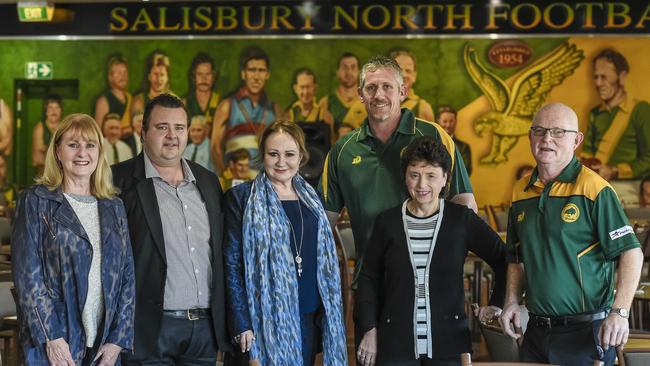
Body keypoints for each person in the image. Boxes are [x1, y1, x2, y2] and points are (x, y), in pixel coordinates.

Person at [319, 55, 476, 353]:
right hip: (373, 290)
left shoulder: (433, 136)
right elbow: (321, 223)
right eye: (371, 88)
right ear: (360, 94)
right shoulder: (342, 151)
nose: (379, 95)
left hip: (435, 290)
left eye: (387, 87)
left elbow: (465, 205)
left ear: (403, 92)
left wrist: (448, 262)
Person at [500, 102, 643, 366]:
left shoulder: (595, 189)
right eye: (539, 131)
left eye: (557, 132)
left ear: (576, 140)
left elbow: (631, 252)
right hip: (536, 332)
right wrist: (510, 301)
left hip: (586, 334)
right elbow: (516, 257)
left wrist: (620, 312)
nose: (546, 139)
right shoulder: (520, 191)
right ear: (530, 136)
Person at [356, 136, 506, 365]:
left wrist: (495, 304)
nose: (421, 185)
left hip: (449, 342)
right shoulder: (387, 222)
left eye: (431, 176)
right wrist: (370, 329)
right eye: (414, 175)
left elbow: (504, 259)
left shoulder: (461, 220)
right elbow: (368, 277)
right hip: (395, 341)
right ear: (405, 176)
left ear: (445, 178)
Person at [112, 94, 230, 364]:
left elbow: (221, 254)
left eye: (179, 128)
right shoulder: (117, 181)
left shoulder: (208, 181)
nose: (171, 135)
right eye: (162, 127)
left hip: (204, 330)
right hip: (148, 329)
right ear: (142, 132)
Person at [12, 113, 135, 365]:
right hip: (56, 343)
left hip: (103, 344)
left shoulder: (114, 207)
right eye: (73, 144)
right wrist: (52, 338)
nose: (82, 153)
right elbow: (28, 278)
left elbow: (127, 278)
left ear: (100, 153)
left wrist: (117, 341)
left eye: (90, 145)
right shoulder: (36, 201)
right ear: (57, 151)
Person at [224, 120, 347, 365]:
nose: (281, 162)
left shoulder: (313, 200)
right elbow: (232, 265)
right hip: (261, 323)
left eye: (289, 154)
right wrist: (242, 324)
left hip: (307, 319)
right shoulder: (241, 198)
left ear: (301, 156)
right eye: (273, 154)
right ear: (262, 156)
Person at [581, 49, 650, 202]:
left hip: (629, 188)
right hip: (594, 186)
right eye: (596, 77)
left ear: (622, 76)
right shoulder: (595, 113)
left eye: (604, 77)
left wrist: (615, 171)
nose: (598, 83)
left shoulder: (641, 110)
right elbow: (587, 154)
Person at [211, 46, 281, 173]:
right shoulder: (227, 106)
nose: (256, 77)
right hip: (236, 181)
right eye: (252, 70)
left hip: (265, 182)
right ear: (243, 74)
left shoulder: (275, 109)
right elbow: (215, 148)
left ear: (267, 74)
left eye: (261, 70)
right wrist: (226, 178)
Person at [318, 52, 367, 135]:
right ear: (338, 72)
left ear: (359, 72)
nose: (349, 72)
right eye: (345, 68)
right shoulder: (325, 103)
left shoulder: (369, 101)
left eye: (353, 67)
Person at [390, 49, 435, 122]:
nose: (404, 75)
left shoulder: (423, 108)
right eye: (399, 70)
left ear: (414, 76)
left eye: (408, 71)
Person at [95, 54, 132, 137]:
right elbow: (98, 135)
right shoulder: (103, 101)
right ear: (110, 77)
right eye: (118, 73)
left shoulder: (130, 98)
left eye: (125, 72)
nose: (123, 76)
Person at [183, 53, 221, 126]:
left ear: (213, 77)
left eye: (208, 74)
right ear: (194, 77)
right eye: (200, 74)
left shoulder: (221, 104)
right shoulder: (184, 104)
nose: (204, 79)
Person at [131, 52, 172, 117]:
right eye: (155, 74)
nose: (158, 79)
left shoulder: (174, 102)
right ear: (149, 76)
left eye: (162, 75)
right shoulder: (138, 101)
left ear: (167, 78)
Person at [32, 94, 63, 176]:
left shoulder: (65, 128)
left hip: (62, 177)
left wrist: (46, 149)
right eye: (50, 107)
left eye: (57, 107)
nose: (54, 111)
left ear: (61, 110)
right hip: (44, 175)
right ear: (46, 111)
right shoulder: (40, 128)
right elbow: (37, 159)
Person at [437, 105, 472, 176]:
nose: (448, 125)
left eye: (451, 121)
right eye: (445, 121)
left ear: (455, 122)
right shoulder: (430, 144)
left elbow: (465, 171)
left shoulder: (463, 147)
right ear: (438, 121)